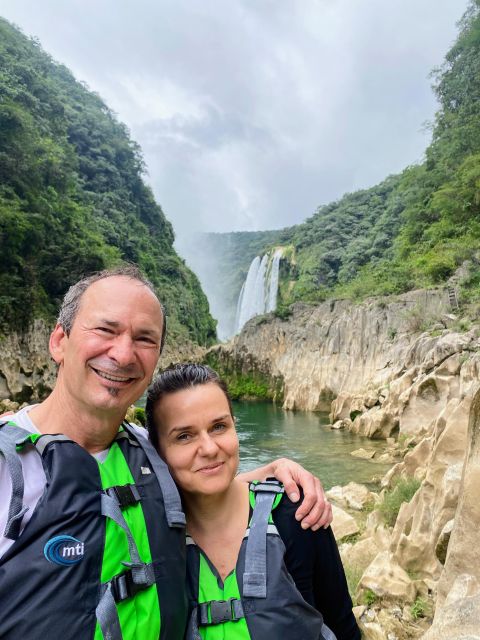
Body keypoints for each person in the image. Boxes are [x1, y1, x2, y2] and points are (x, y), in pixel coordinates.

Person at [0, 265, 332, 640]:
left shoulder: (148, 450)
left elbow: (204, 473)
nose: (124, 354)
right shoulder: (8, 463)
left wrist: (276, 469)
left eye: (144, 338)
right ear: (59, 340)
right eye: (106, 330)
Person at [146, 363, 361, 640]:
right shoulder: (153, 536)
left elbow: (342, 626)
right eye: (184, 436)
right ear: (157, 450)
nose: (210, 448)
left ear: (235, 427)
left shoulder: (296, 517)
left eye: (219, 426)